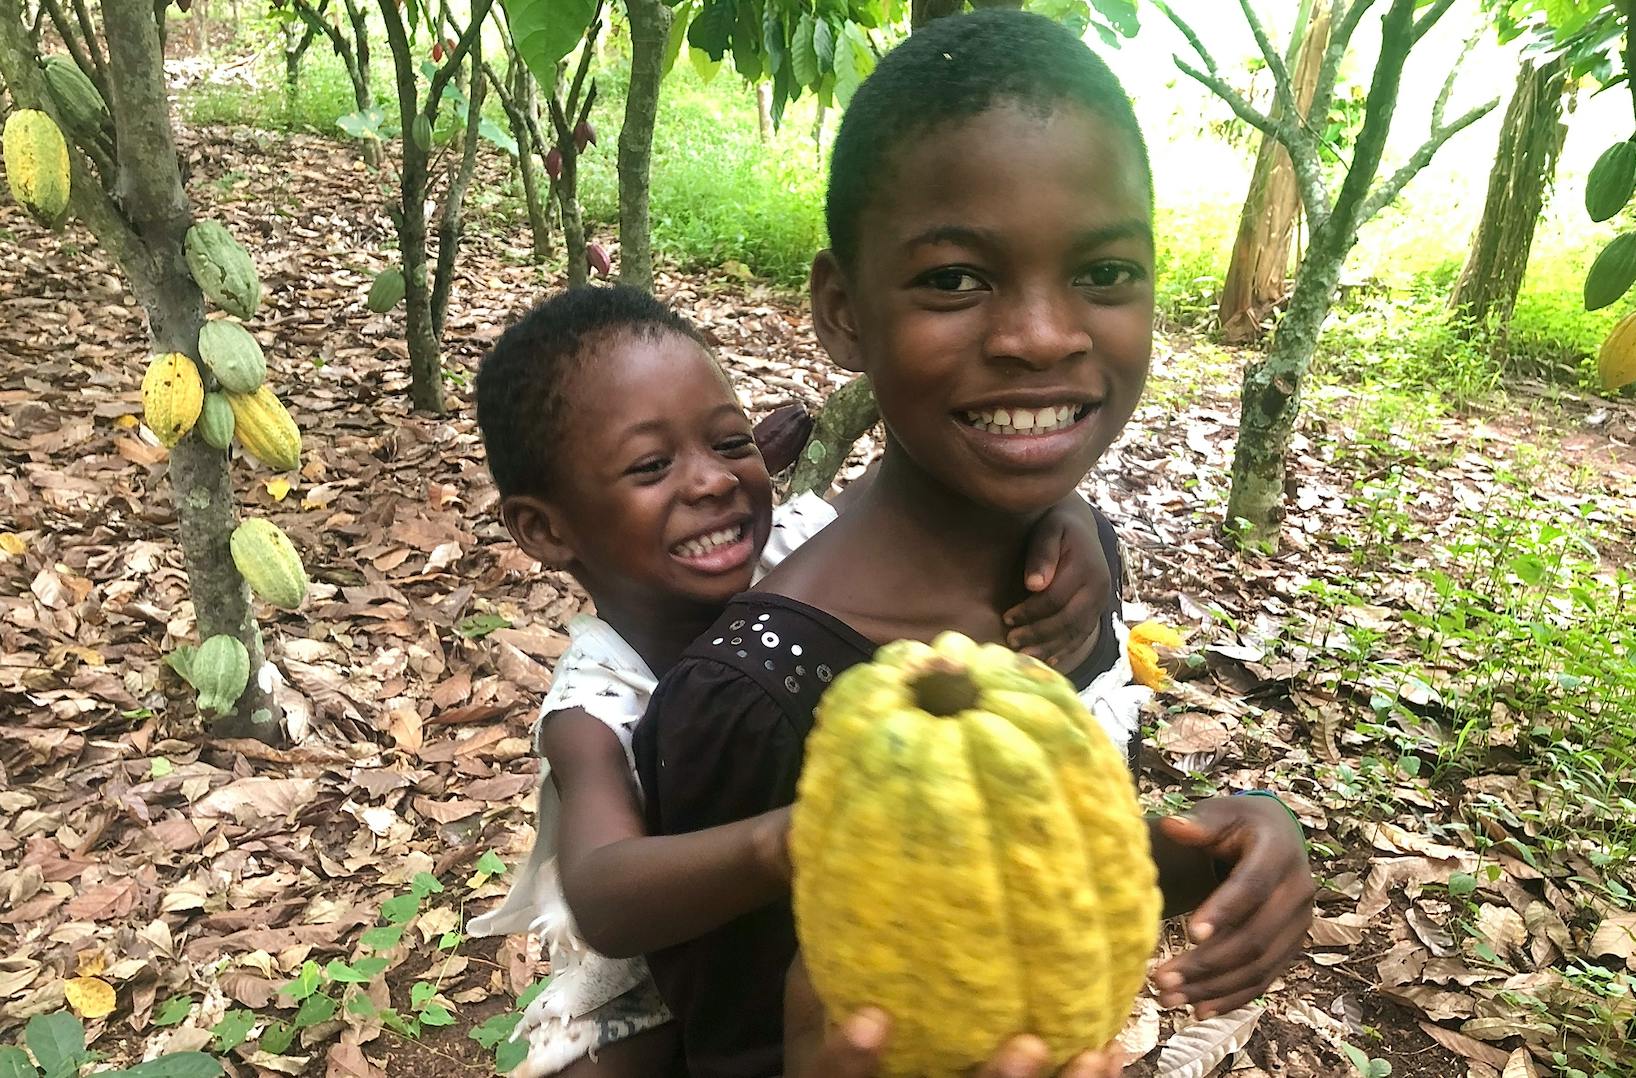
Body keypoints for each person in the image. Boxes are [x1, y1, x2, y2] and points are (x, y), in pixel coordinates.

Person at [633, 12, 1317, 1078]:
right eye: (956, 279)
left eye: (1105, 271)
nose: (1042, 336)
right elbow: (720, 1038)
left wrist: (1225, 848)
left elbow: (1014, 876)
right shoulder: (754, 702)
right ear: (842, 310)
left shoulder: (1072, 565)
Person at [467, 284, 1122, 1077]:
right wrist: (799, 837)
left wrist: (1068, 515)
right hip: (660, 962)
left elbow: (930, 496)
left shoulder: (802, 547)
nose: (714, 481)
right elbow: (606, 896)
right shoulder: (596, 696)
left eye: (730, 443)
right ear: (545, 528)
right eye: (652, 465)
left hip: (833, 923)